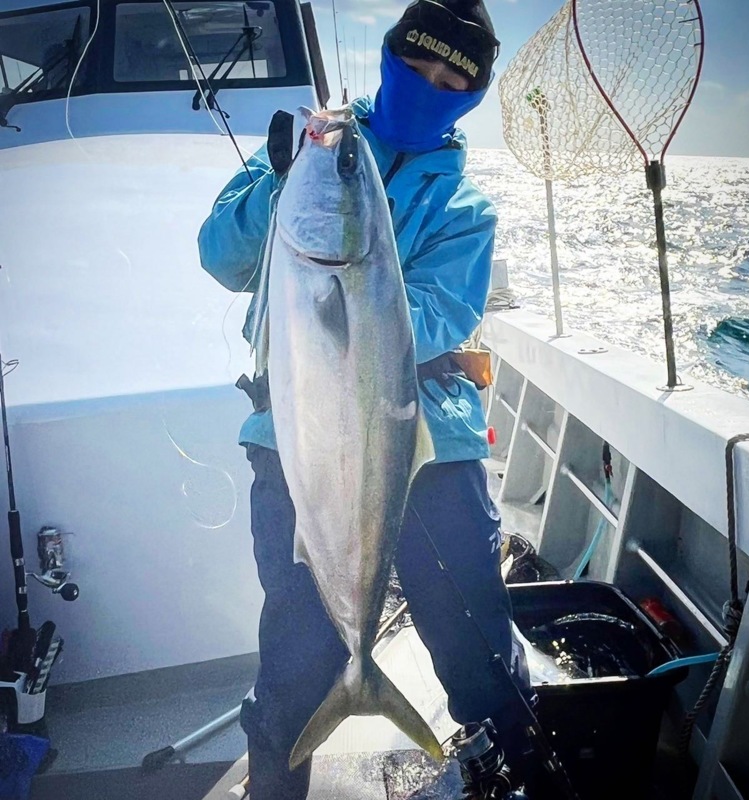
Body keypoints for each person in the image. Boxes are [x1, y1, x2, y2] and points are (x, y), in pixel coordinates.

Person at [198, 1, 532, 797]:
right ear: (389, 59)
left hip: (432, 441)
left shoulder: (466, 211)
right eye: (418, 68)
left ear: (472, 94)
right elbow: (221, 256)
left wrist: (350, 281)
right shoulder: (310, 154)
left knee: (474, 635)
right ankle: (280, 779)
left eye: (453, 80)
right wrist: (279, 181)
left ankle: (515, 770)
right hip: (297, 437)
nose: (431, 86)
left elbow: (440, 316)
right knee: (296, 651)